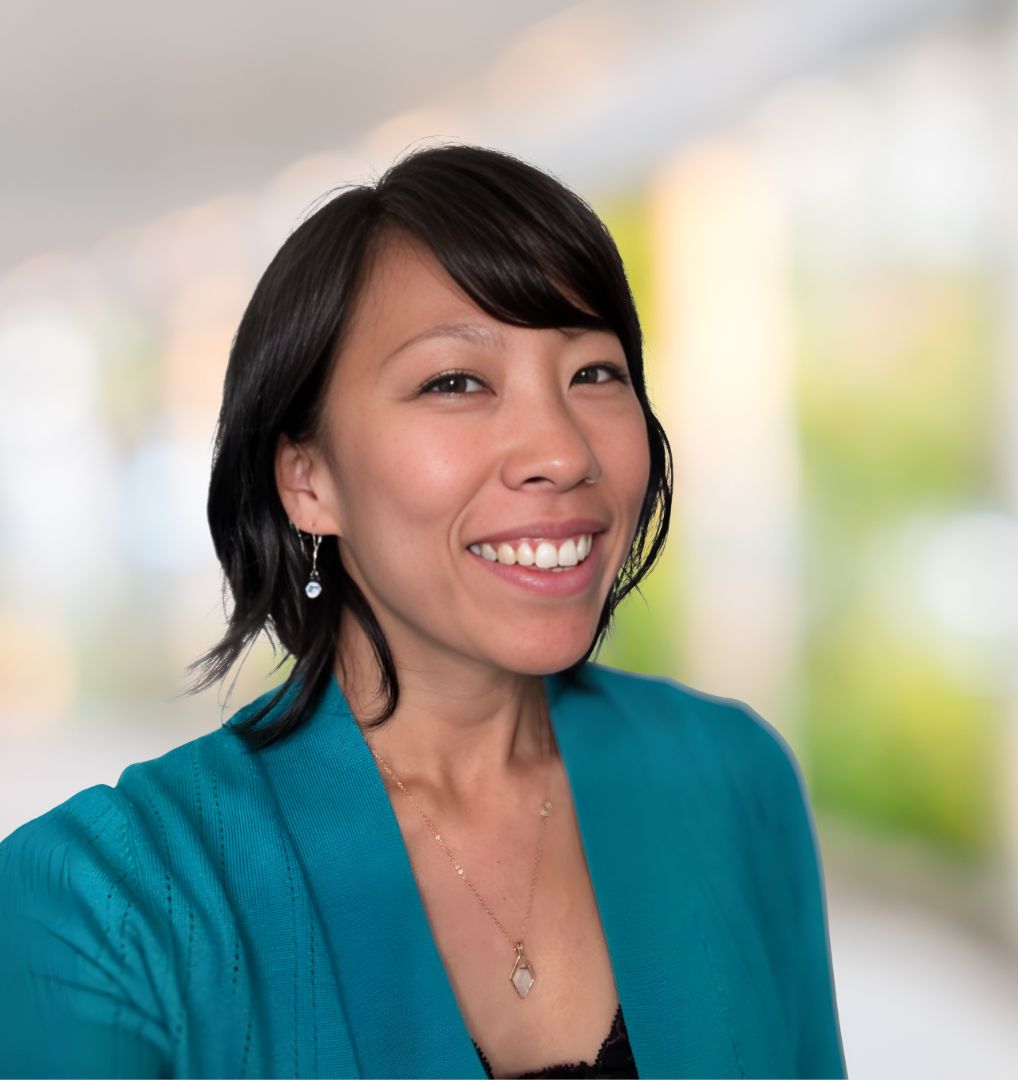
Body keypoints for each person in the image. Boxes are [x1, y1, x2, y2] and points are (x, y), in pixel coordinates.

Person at [0, 144, 847, 1079]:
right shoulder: (103, 904)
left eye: (595, 374)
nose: (561, 452)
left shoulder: (730, 781)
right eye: (457, 382)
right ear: (307, 479)